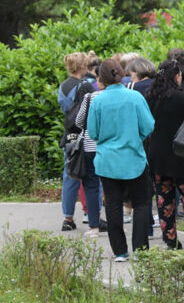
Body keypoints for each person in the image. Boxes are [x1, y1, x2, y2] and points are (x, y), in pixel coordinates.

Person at [87, 59, 155, 262]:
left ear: (101, 78)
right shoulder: (134, 97)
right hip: (133, 157)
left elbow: (93, 132)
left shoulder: (97, 100)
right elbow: (148, 126)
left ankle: (119, 251)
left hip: (107, 160)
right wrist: (136, 136)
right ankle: (141, 248)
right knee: (142, 203)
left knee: (113, 203)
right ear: (122, 74)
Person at [146, 60, 184, 249]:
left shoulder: (150, 97)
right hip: (180, 154)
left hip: (157, 153)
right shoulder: (183, 99)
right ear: (176, 76)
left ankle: (170, 237)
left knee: (163, 197)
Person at [58, 52, 98, 233]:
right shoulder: (86, 86)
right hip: (86, 135)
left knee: (70, 174)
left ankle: (67, 217)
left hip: (70, 134)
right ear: (83, 67)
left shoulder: (62, 87)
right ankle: (94, 216)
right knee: (92, 177)